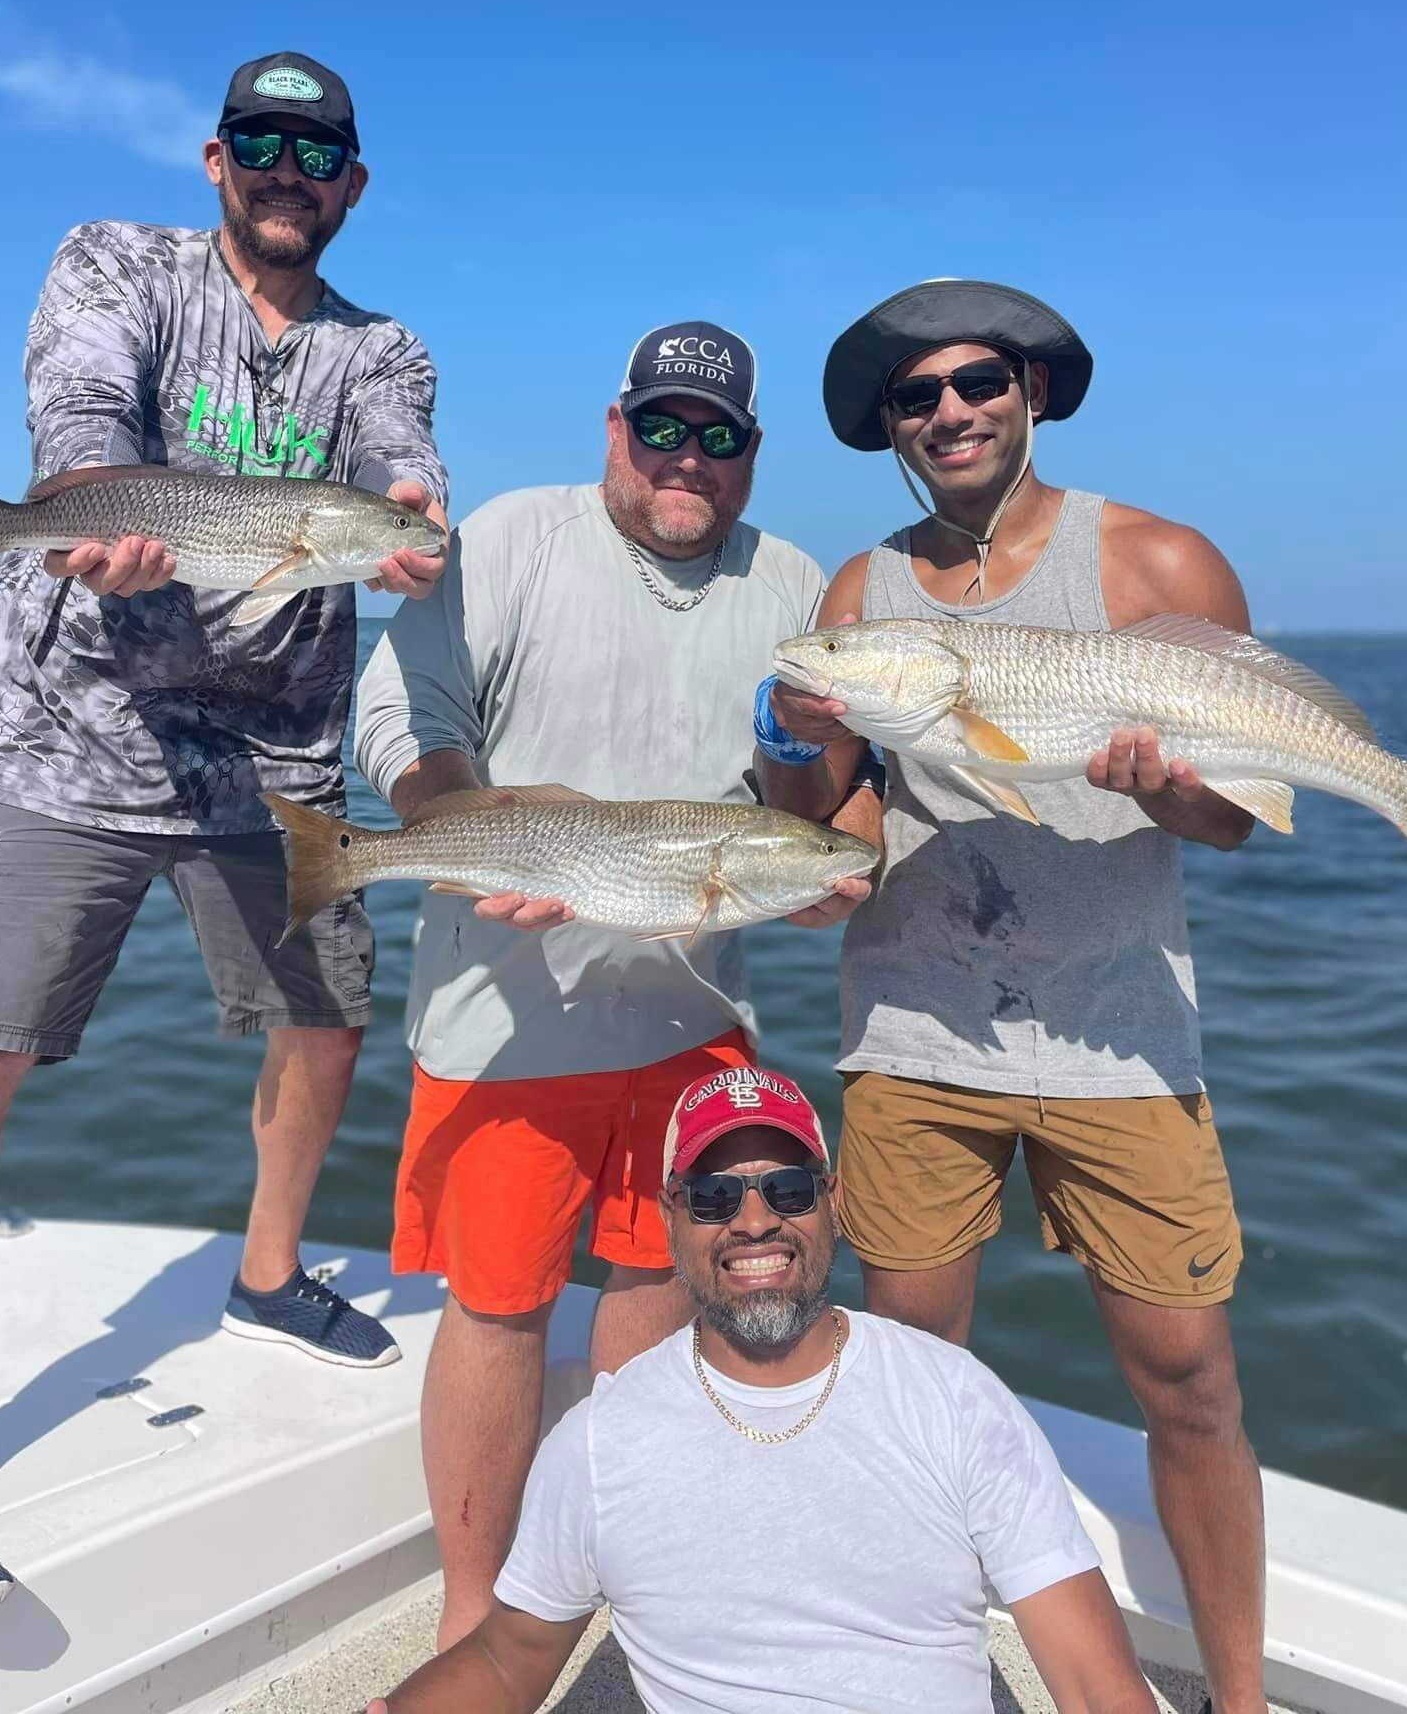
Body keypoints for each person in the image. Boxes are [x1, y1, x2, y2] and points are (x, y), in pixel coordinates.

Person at [0, 51, 449, 1637]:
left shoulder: (380, 347)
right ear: (216, 158)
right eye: (261, 142)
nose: (286, 171)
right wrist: (79, 508)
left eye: (317, 152)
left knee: (327, 1017)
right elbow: (80, 419)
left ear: (352, 184)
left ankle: (266, 1277)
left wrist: (408, 511)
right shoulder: (116, 262)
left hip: (272, 753)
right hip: (64, 732)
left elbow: (402, 459)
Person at [758, 278, 1263, 1714]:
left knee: (1190, 1378)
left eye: (978, 381)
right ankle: (923, 1669)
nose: (952, 412)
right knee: (915, 1369)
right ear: (890, 427)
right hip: (917, 1024)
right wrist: (790, 736)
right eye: (916, 396)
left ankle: (1237, 1698)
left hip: (1123, 1029)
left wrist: (1170, 786)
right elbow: (821, 817)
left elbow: (1234, 813)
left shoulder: (1159, 560)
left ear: (1032, 392)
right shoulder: (858, 597)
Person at [352, 323, 871, 1649]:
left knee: (661, 1283)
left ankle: (625, 1576)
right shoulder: (514, 538)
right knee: (498, 1305)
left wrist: (826, 857)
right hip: (506, 1015)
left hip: (696, 1016)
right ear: (615, 427)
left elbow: (813, 792)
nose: (687, 457)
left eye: (719, 435)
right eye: (663, 428)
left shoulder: (793, 581)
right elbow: (400, 714)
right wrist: (474, 826)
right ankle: (479, 1617)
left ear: (752, 451)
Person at [368, 1062, 1157, 1714]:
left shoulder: (954, 1398)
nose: (753, 1222)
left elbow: (1099, 1689)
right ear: (671, 1217)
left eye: (787, 1190)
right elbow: (508, 1658)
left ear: (832, 1202)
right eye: (714, 1196)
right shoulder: (600, 1441)